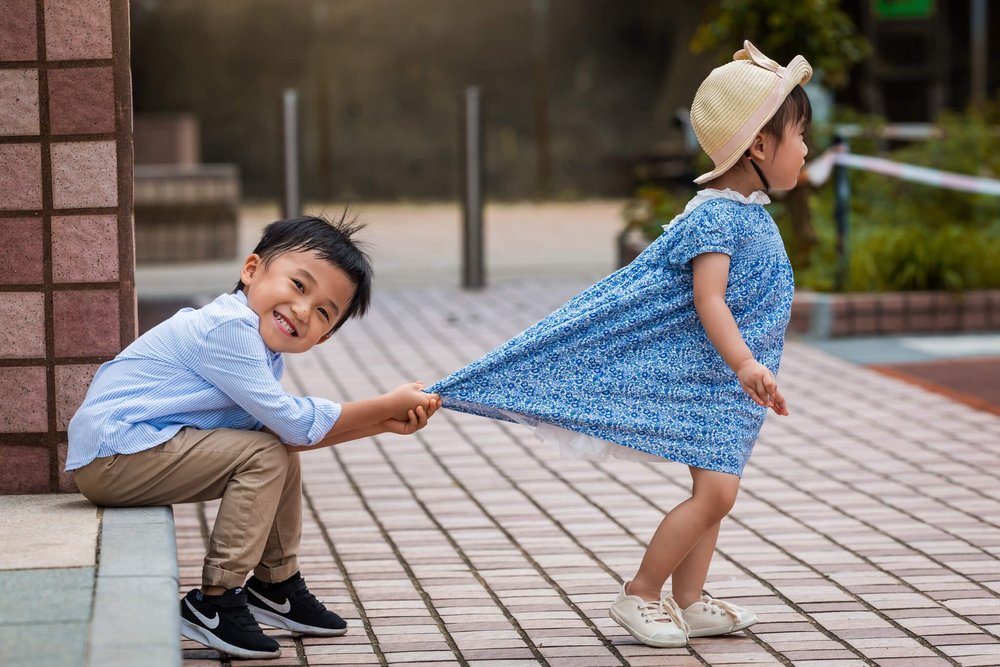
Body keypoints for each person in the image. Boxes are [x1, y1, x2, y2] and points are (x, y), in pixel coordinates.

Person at [426, 41, 811, 648]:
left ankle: (690, 598)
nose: (807, 149)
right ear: (761, 147)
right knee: (717, 493)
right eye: (800, 137)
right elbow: (709, 298)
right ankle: (641, 592)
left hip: (723, 387)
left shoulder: (750, 210)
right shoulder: (717, 216)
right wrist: (744, 363)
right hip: (714, 378)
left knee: (714, 489)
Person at [66, 214, 441, 659]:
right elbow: (294, 423)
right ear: (251, 270)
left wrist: (383, 423)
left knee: (273, 447)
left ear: (323, 338)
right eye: (299, 286)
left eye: (323, 311)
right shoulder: (227, 329)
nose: (303, 310)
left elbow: (289, 435)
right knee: (264, 453)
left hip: (131, 454)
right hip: (115, 455)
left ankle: (276, 586)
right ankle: (215, 601)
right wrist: (383, 406)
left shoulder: (257, 349)